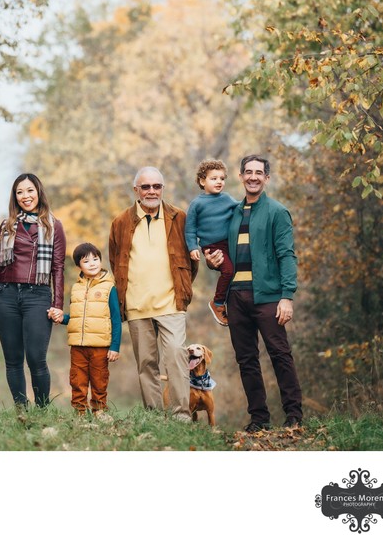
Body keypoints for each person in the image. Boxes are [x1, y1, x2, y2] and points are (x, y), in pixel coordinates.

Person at [205, 155, 302, 432]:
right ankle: (259, 420)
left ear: (267, 178)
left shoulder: (277, 212)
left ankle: (294, 416)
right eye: (248, 172)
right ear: (241, 176)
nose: (253, 177)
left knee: (280, 355)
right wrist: (215, 263)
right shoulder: (233, 213)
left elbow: (286, 255)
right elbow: (228, 257)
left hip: (269, 297)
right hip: (236, 297)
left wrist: (287, 296)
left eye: (259, 172)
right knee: (246, 360)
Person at [108, 166, 199, 420]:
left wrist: (182, 288)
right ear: (136, 190)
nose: (151, 191)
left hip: (171, 303)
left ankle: (181, 415)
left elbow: (192, 261)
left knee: (176, 359)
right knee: (146, 364)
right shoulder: (121, 222)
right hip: (137, 306)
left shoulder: (178, 218)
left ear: (163, 188)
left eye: (156, 186)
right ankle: (155, 417)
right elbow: (116, 261)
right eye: (145, 187)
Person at [0, 173, 66, 408]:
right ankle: (21, 409)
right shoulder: (7, 225)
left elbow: (58, 267)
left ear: (38, 192)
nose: (25, 196)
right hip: (6, 296)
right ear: (15, 197)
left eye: (29, 190)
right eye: (20, 192)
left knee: (36, 358)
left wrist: (58, 304)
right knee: (13, 360)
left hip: (38, 297)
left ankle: (41, 410)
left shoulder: (54, 226)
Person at [51, 242, 121, 418]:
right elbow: (75, 316)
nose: (92, 263)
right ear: (78, 265)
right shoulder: (76, 288)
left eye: (95, 259)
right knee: (77, 380)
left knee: (99, 380)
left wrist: (115, 346)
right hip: (78, 346)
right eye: (86, 260)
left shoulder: (109, 287)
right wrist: (62, 318)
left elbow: (116, 319)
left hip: (100, 346)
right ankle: (80, 412)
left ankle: (99, 410)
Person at [185, 159, 238, 326]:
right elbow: (190, 229)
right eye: (213, 178)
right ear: (202, 181)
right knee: (228, 271)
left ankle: (232, 303)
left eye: (222, 178)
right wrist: (193, 247)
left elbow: (240, 207)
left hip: (229, 243)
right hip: (213, 246)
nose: (219, 182)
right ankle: (217, 303)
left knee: (236, 271)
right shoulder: (197, 204)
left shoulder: (227, 199)